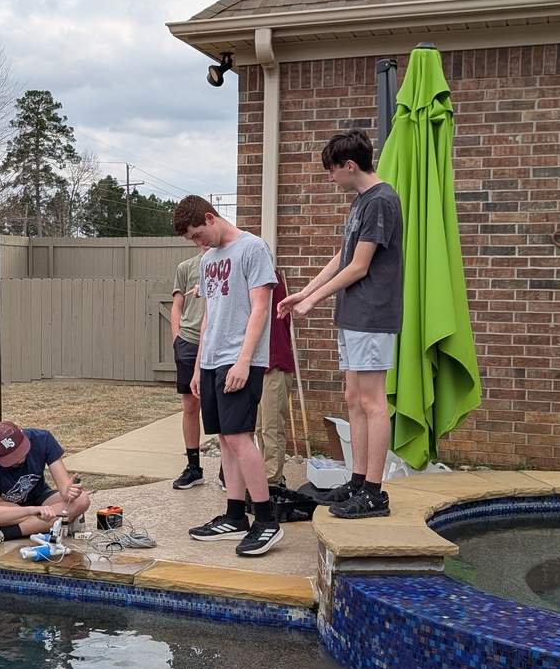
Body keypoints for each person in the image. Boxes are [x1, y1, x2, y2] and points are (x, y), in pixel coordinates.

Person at [277, 128, 403, 519]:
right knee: (353, 399)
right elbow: (342, 256)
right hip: (352, 315)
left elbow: (361, 266)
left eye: (332, 171)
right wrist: (305, 291)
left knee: (372, 401)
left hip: (372, 315)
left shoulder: (382, 201)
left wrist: (316, 299)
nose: (330, 178)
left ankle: (375, 494)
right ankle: (358, 480)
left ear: (350, 166)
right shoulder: (360, 202)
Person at [173, 195, 283, 556]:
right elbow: (209, 315)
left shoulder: (253, 249)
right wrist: (199, 364)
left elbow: (260, 309)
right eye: (192, 239)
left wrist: (243, 360)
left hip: (240, 361)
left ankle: (266, 521)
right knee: (224, 438)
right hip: (211, 361)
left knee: (238, 437)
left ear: (210, 217)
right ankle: (235, 516)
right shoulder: (207, 260)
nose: (197, 243)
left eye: (198, 234)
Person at [0, 421, 89, 545]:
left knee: (81, 500)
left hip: (38, 499)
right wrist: (32, 511)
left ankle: (1, 533)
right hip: (6, 505)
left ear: (23, 437)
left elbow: (64, 490)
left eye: (20, 451)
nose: (19, 458)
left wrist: (68, 492)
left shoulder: (42, 439)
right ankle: (63, 522)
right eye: (11, 457)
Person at [256, 270, 296, 488]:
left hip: (275, 364)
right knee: (260, 427)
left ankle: (273, 482)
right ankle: (266, 476)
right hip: (259, 365)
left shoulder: (270, 280)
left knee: (271, 428)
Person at [171, 249, 207, 489]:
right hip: (189, 342)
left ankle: (228, 470)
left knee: (221, 407)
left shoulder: (228, 262)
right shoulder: (185, 267)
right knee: (190, 405)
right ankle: (194, 468)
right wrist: (177, 340)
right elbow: (177, 306)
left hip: (218, 343)